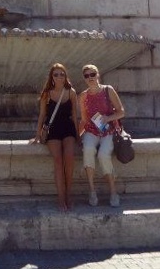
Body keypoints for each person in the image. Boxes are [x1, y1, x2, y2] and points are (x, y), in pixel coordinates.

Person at [30, 63, 80, 211]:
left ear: (66, 76)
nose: (59, 77)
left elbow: (75, 116)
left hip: (68, 129)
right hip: (53, 130)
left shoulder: (71, 92)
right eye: (56, 74)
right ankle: (60, 197)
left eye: (62, 74)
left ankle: (68, 194)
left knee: (69, 158)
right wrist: (37, 136)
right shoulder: (47, 93)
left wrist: (78, 136)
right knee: (58, 161)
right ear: (52, 77)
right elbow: (42, 115)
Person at [78, 64, 125, 207]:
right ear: (84, 79)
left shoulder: (108, 90)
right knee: (88, 150)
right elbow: (84, 119)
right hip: (91, 131)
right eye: (87, 76)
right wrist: (77, 135)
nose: (90, 78)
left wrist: (107, 118)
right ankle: (92, 191)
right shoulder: (83, 96)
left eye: (92, 74)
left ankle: (113, 191)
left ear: (98, 75)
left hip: (108, 130)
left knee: (103, 155)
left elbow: (121, 112)